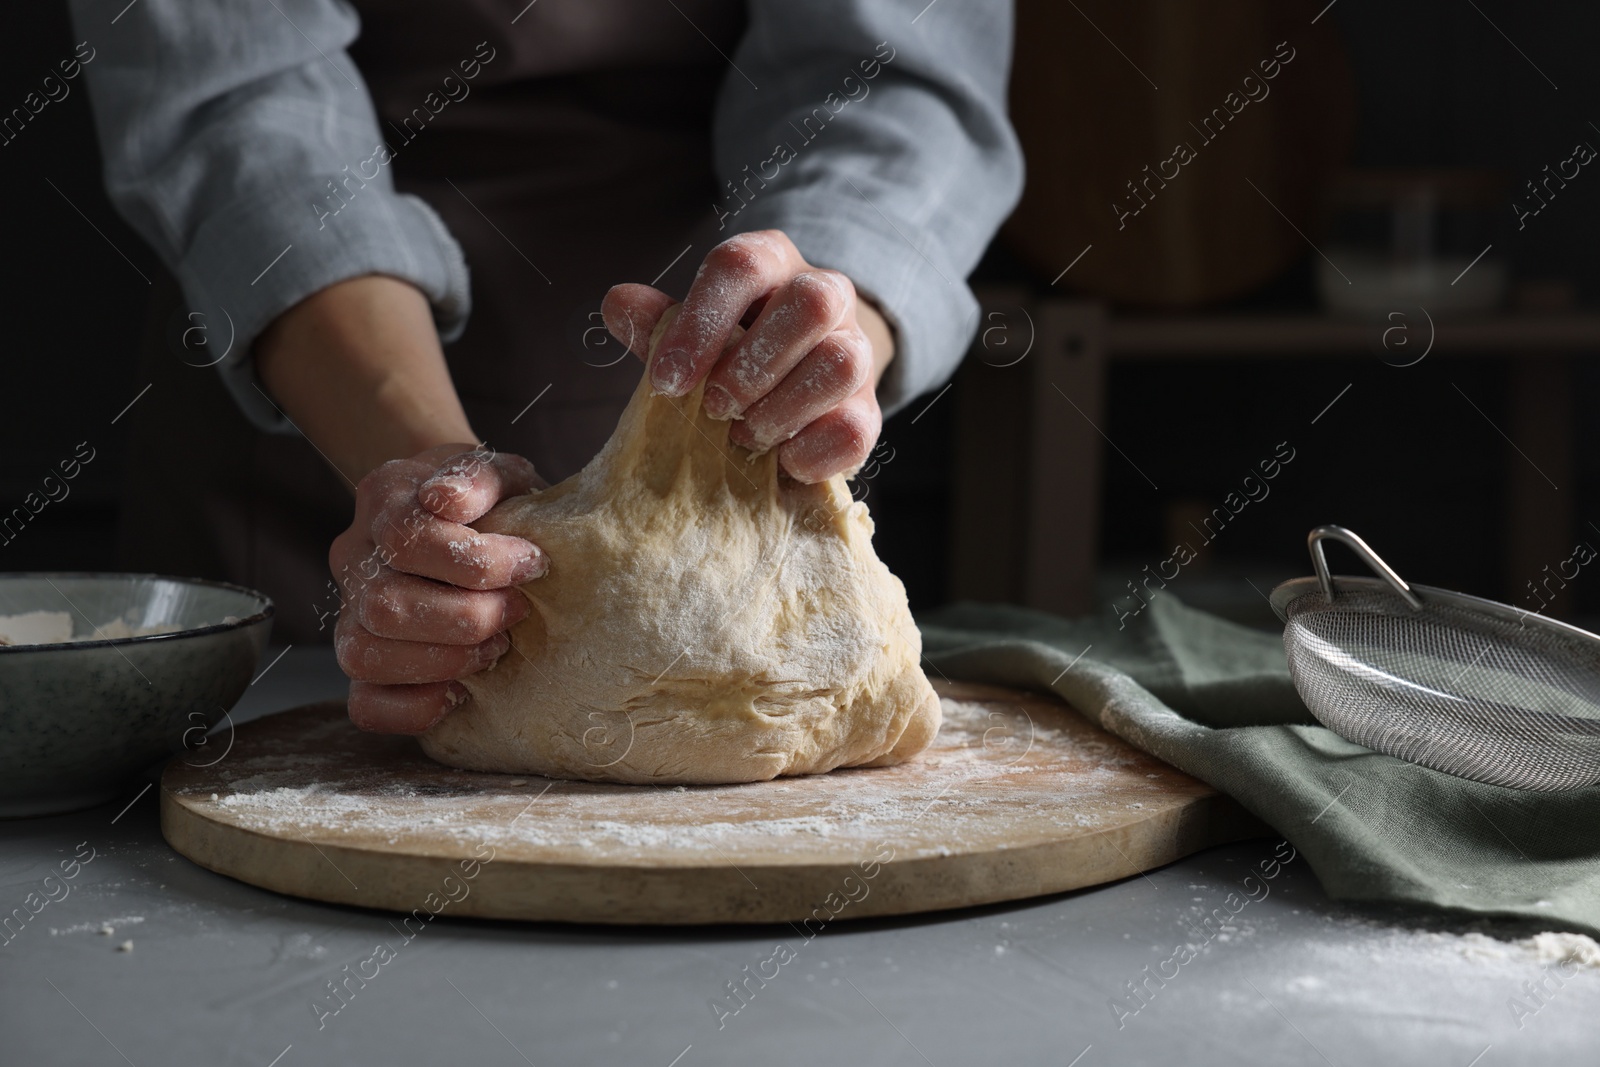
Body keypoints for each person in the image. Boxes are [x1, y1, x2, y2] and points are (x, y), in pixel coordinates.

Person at [70, 0, 1022, 734]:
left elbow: (897, 73)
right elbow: (234, 95)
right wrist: (428, 492)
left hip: (729, 403)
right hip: (307, 381)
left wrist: (815, 312)